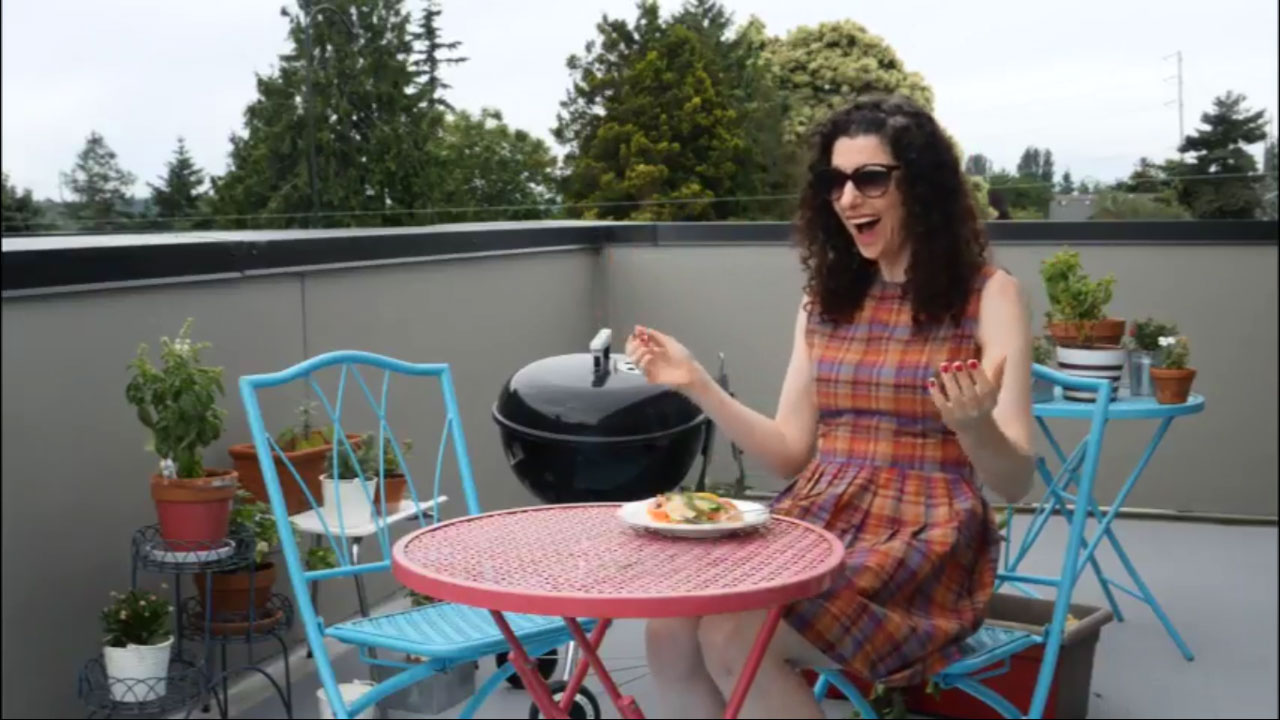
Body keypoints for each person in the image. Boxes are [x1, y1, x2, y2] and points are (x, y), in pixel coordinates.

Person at [625, 94, 1035, 719]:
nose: (847, 199)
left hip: (924, 537)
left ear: (920, 186)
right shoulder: (826, 302)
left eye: (870, 178)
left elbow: (1016, 482)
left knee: (730, 632)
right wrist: (696, 383)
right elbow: (791, 452)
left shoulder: (988, 295)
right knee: (670, 629)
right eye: (835, 181)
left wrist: (975, 426)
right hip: (821, 516)